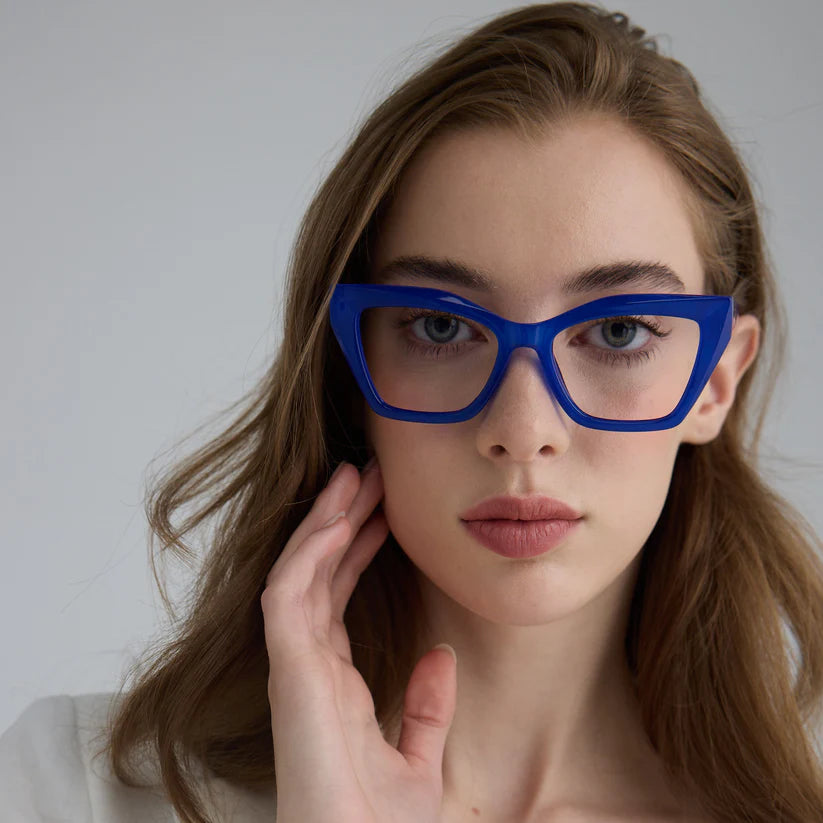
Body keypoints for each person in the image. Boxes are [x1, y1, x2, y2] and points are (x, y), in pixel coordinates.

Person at [2, 3, 822, 822]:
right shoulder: (71, 789)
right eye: (442, 326)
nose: (522, 428)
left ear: (716, 380)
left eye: (616, 331)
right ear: (351, 365)